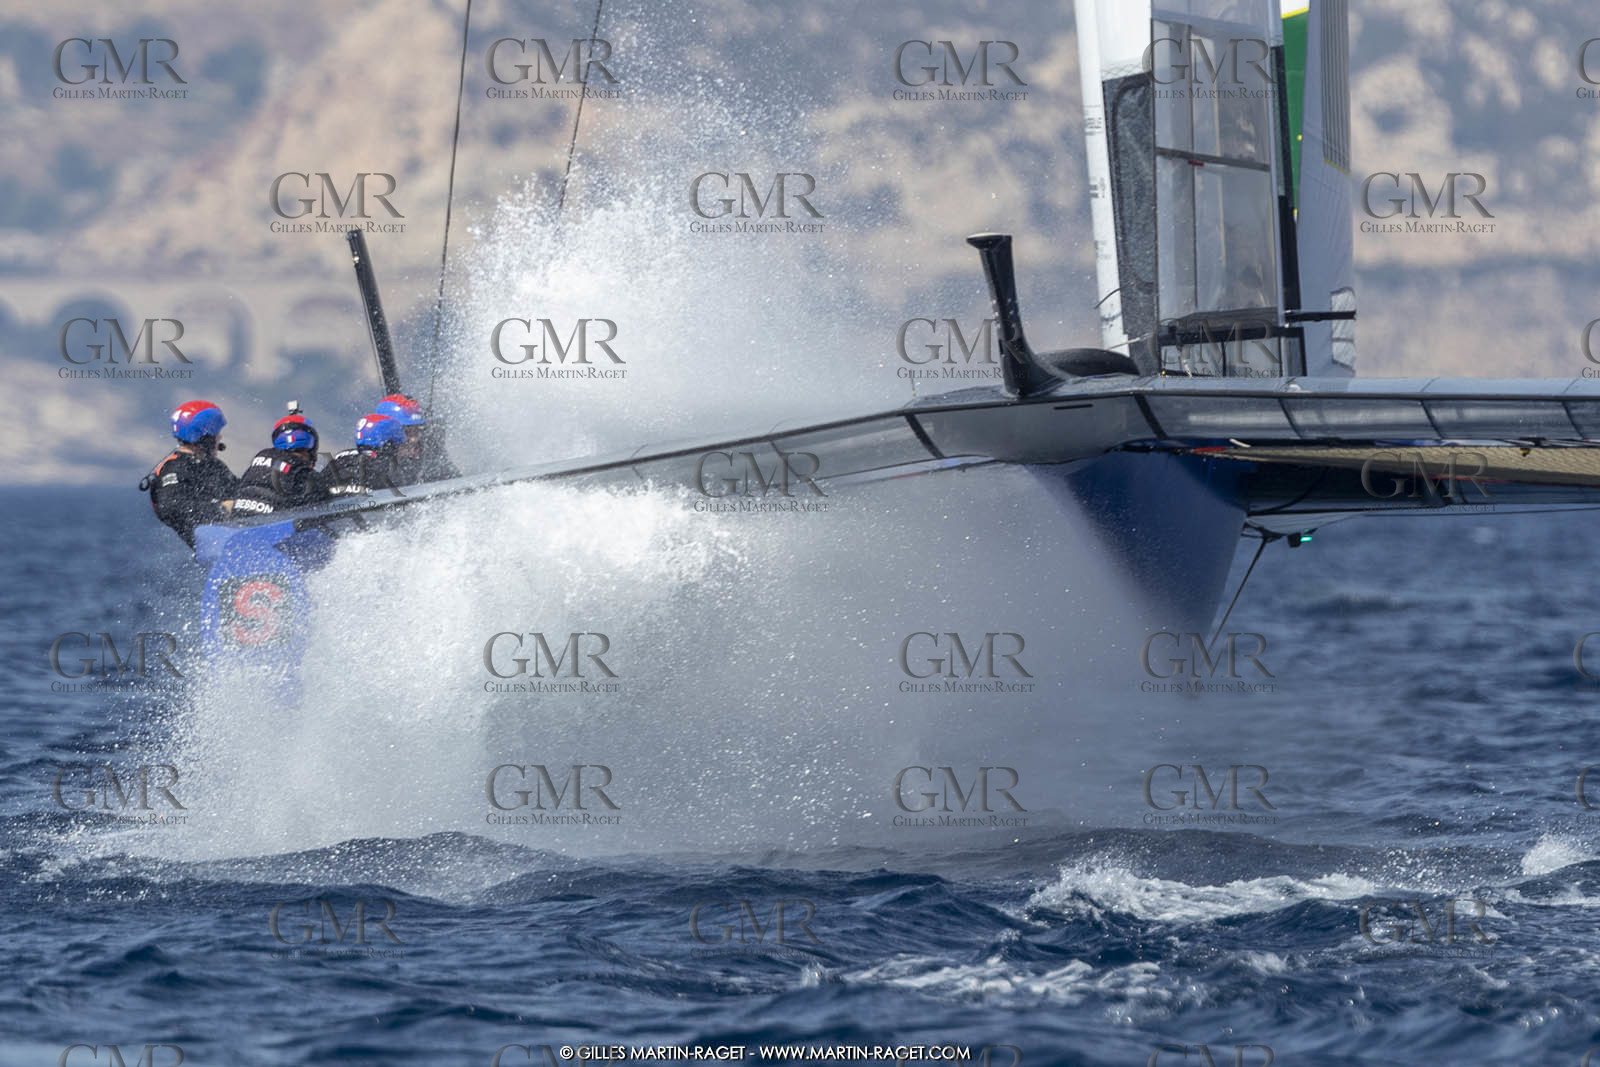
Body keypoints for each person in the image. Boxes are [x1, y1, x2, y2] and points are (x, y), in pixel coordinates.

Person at [142, 400, 238, 549]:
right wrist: (221, 508)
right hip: (218, 546)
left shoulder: (213, 465)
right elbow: (171, 507)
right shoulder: (173, 469)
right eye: (216, 434)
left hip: (238, 534)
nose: (219, 437)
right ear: (204, 437)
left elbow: (241, 490)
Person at [232, 412, 331, 516]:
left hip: (236, 522)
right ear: (311, 449)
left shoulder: (260, 458)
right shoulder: (304, 474)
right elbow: (326, 505)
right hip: (273, 527)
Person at [374, 393, 461, 484]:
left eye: (417, 430)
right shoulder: (369, 470)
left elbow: (457, 486)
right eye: (406, 432)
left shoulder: (431, 454)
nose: (413, 439)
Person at [320, 413, 408, 496]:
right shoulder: (387, 472)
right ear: (389, 446)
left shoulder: (337, 464)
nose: (402, 452)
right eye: (400, 446)